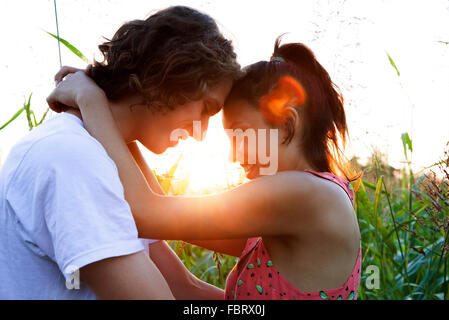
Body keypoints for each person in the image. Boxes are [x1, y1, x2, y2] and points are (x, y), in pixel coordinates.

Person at [48, 37, 362, 300]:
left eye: (241, 133)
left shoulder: (306, 195)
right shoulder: (299, 207)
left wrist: (92, 101)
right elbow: (163, 230)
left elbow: (147, 213)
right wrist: (118, 123)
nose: (234, 156)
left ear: (287, 123)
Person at [0, 6, 240, 299]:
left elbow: (182, 288)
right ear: (173, 74)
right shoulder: (71, 158)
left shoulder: (100, 156)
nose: (201, 134)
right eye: (206, 109)